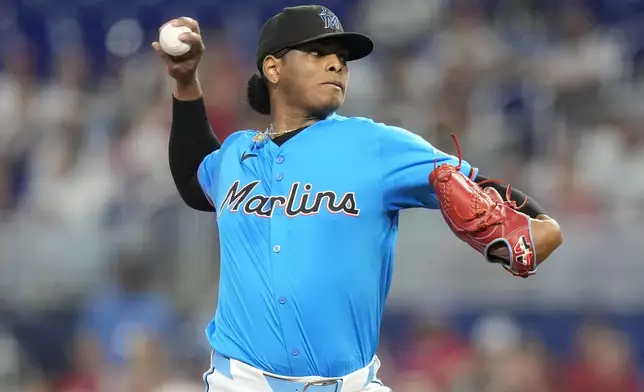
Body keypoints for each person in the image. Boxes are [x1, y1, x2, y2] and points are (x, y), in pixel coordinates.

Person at [152, 5, 563, 392]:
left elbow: (479, 187)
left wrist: (539, 224)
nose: (336, 65)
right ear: (273, 68)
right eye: (317, 53)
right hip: (241, 381)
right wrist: (186, 82)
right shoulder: (238, 154)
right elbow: (193, 178)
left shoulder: (376, 145)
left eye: (342, 59)